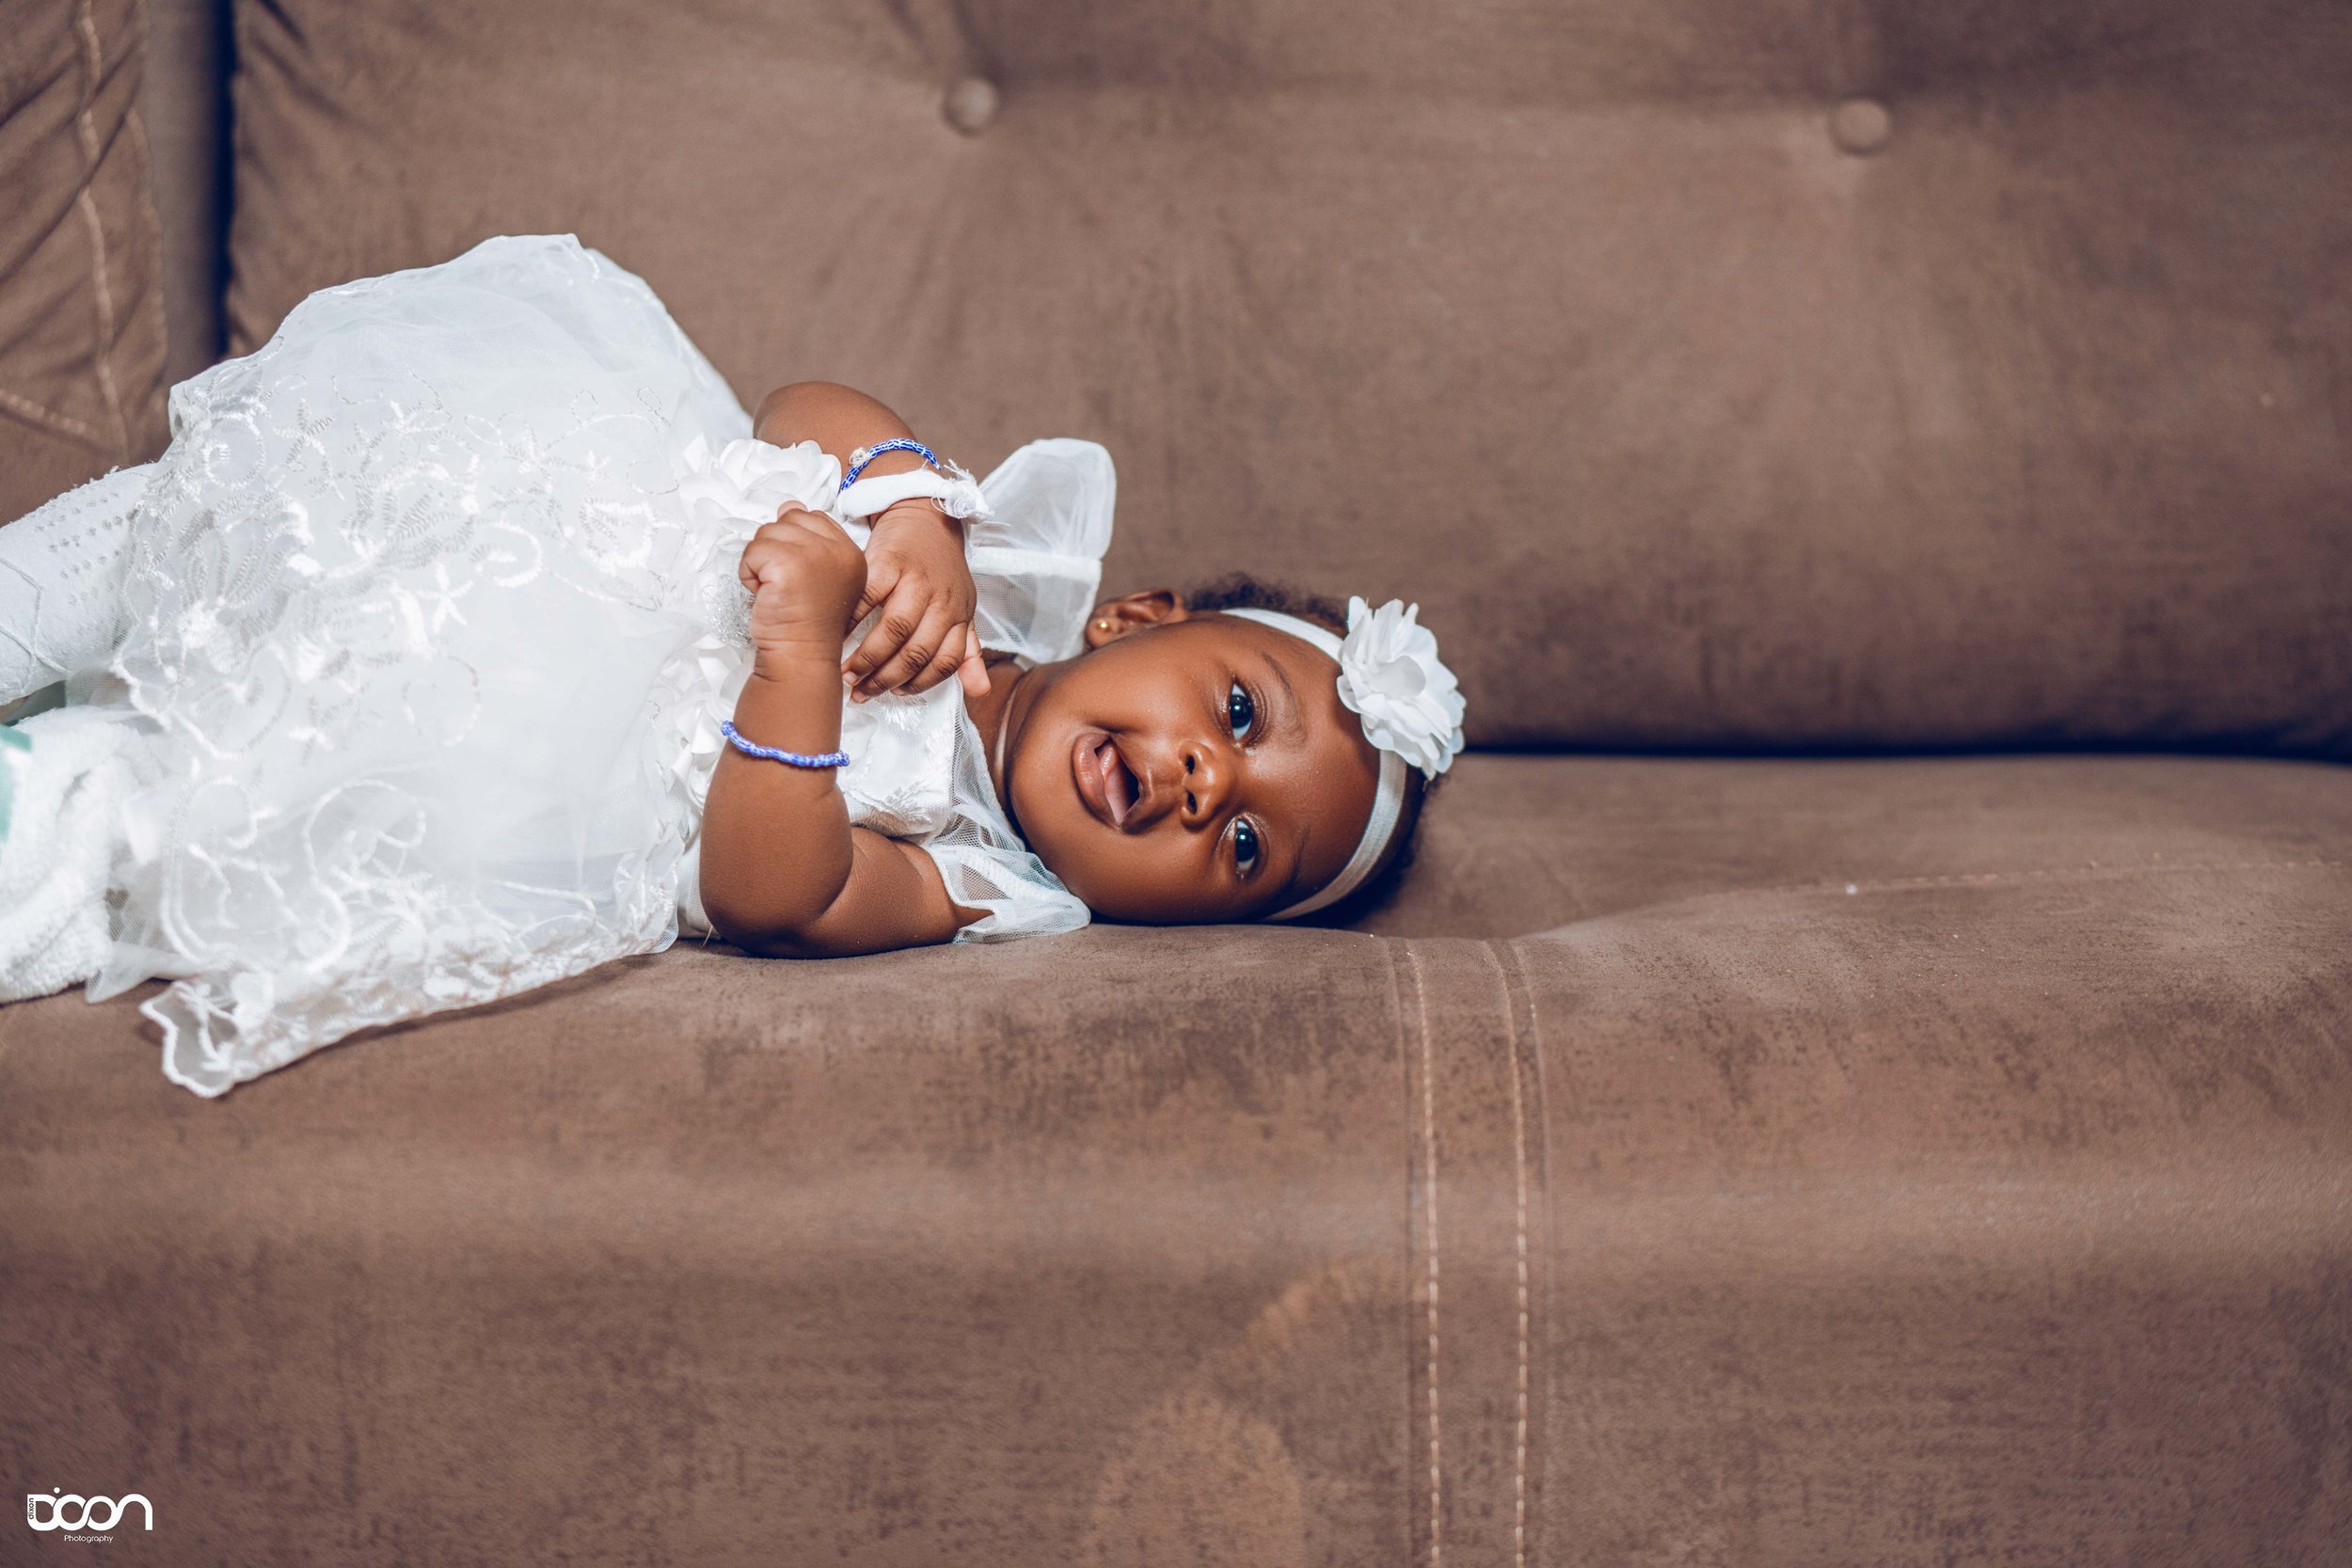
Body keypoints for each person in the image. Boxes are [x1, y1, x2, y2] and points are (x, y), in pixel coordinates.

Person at [0, 234, 1464, 1097]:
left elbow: (781, 896)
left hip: (482, 752)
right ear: (1136, 619)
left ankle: (46, 813)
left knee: (136, 818)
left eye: (1253, 846)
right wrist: (905, 498)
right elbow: (799, 402)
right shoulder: (969, 565)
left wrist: (795, 653)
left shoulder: (981, 876)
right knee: (158, 540)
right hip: (482, 528)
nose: (1211, 784)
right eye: (1234, 713)